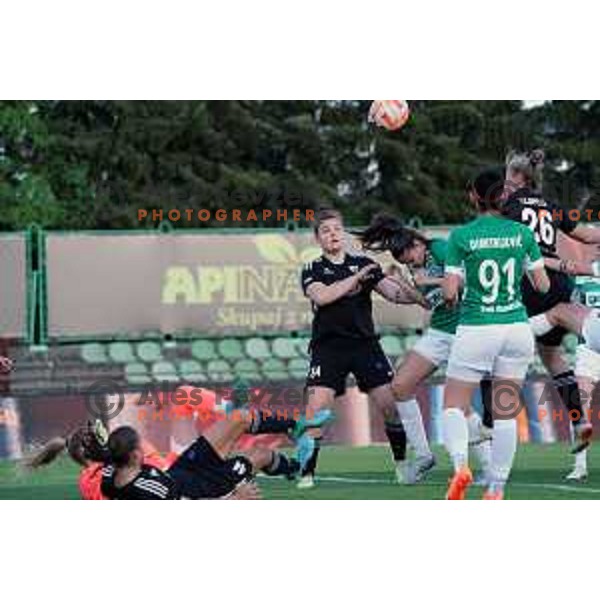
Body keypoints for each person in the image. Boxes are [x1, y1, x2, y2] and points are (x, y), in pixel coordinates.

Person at [298, 207, 429, 489]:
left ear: (343, 233)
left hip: (365, 346)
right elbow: (322, 297)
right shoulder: (313, 268)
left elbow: (394, 294)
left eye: (336, 229)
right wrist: (358, 278)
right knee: (316, 410)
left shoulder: (364, 263)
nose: (332, 234)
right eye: (325, 231)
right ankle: (306, 473)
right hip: (328, 348)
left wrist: (411, 290)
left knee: (391, 406)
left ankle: (402, 465)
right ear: (318, 239)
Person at [358, 214, 493, 483]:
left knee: (459, 402)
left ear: (418, 243)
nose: (411, 263)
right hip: (441, 329)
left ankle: (489, 465)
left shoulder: (441, 248)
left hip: (466, 330)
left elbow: (470, 281)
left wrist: (427, 281)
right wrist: (401, 283)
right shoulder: (414, 264)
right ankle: (423, 455)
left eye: (411, 258)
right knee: (400, 386)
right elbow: (428, 303)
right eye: (406, 263)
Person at [442, 168, 550, 500]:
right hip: (516, 329)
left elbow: (449, 293)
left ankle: (461, 467)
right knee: (505, 411)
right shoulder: (522, 234)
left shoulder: (461, 236)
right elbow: (543, 286)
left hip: (477, 327)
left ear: (473, 196)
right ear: (503, 197)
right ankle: (497, 488)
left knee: (453, 406)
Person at [502, 149, 599, 463]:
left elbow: (506, 244)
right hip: (559, 283)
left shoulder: (509, 206)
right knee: (553, 357)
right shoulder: (552, 207)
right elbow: (586, 234)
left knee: (500, 352)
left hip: (529, 282)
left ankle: (491, 430)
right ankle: (579, 418)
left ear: (518, 177)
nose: (504, 184)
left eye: (507, 178)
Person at [101, 405, 329, 499]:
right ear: (134, 456)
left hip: (184, 469)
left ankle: (295, 426)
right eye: (139, 447)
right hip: (205, 488)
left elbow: (104, 458)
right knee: (260, 455)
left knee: (239, 417)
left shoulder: (111, 474)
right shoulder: (150, 491)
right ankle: (297, 467)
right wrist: (234, 498)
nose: (144, 450)